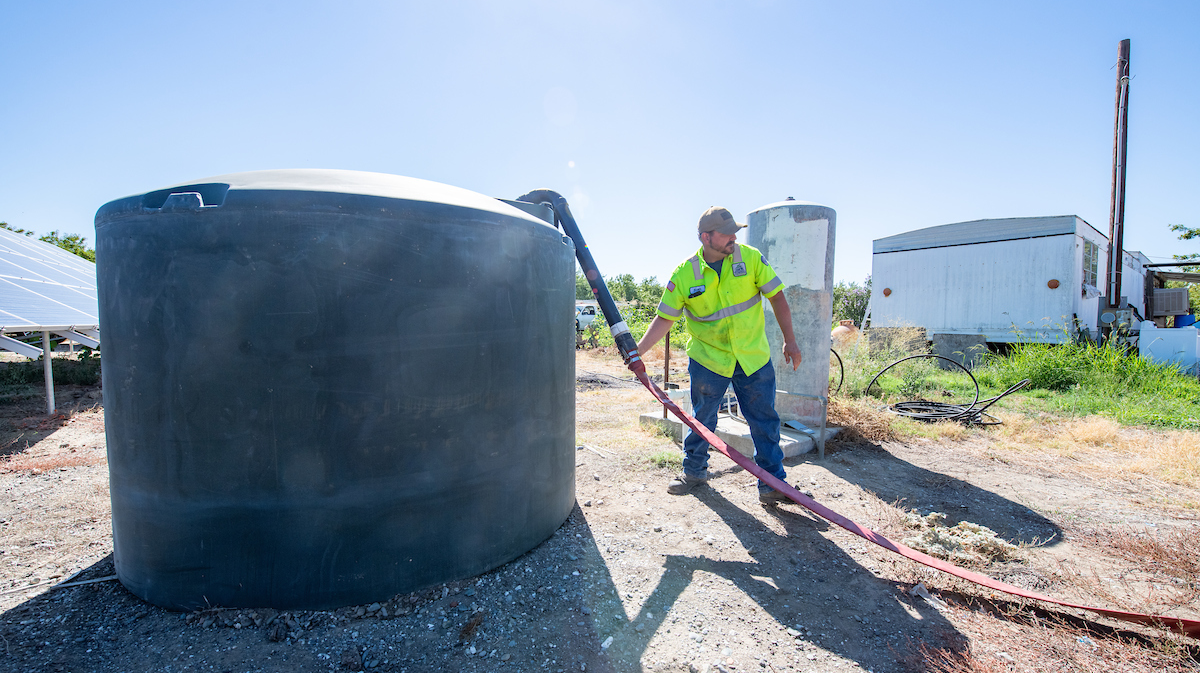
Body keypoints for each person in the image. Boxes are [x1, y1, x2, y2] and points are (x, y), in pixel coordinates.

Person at [635, 206, 802, 505]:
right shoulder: (685, 274)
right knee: (702, 419)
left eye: (735, 233)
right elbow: (664, 319)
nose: (733, 239)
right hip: (709, 359)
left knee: (765, 420)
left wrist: (791, 341)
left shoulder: (750, 258)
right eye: (726, 234)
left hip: (752, 356)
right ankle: (694, 473)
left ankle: (773, 484)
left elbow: (777, 296)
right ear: (705, 237)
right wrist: (637, 353)